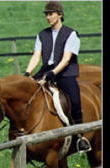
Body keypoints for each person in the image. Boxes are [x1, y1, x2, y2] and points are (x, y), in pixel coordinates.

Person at [23, 1, 90, 153]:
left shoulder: (71, 34)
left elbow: (66, 59)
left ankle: (80, 136)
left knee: (74, 99)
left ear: (60, 15)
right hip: (46, 70)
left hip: (65, 72)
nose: (48, 17)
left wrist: (53, 73)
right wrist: (27, 74)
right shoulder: (42, 35)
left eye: (51, 14)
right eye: (46, 14)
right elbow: (36, 56)